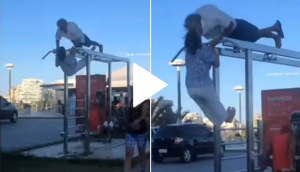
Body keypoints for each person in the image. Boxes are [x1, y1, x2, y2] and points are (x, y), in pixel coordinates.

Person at [183, 15, 236, 126]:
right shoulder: (205, 49)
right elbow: (216, 64)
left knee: (205, 107)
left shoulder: (187, 51)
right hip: (204, 85)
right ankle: (227, 118)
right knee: (214, 103)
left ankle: (218, 121)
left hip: (190, 87)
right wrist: (212, 47)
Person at [186, 5, 284, 48]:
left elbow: (231, 25)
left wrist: (220, 39)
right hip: (229, 33)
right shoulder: (194, 24)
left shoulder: (210, 15)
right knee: (257, 34)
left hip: (236, 28)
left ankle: (276, 32)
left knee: (256, 34)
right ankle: (275, 30)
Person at [124, 99, 149, 172]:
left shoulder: (143, 104)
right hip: (130, 132)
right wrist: (129, 124)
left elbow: (143, 116)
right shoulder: (130, 104)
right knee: (128, 154)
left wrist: (136, 122)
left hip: (141, 132)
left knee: (141, 152)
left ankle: (143, 169)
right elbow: (127, 118)